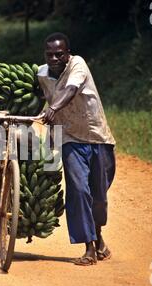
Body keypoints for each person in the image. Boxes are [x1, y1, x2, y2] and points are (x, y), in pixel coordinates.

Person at [38, 32, 116, 266]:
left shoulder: (78, 65)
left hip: (96, 137)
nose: (53, 59)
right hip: (69, 137)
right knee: (79, 190)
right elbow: (34, 96)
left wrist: (53, 107)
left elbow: (70, 91)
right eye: (49, 54)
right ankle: (89, 248)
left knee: (98, 196)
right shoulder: (41, 74)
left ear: (67, 54)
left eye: (58, 54)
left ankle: (98, 236)